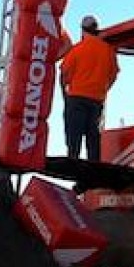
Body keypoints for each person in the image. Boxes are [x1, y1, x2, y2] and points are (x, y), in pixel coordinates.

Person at [56, 12, 119, 164]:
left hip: (76, 98)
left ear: (83, 30)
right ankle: (93, 172)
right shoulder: (108, 51)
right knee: (93, 138)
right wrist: (103, 89)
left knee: (74, 138)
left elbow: (64, 74)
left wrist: (67, 95)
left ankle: (73, 165)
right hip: (97, 100)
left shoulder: (77, 50)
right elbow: (113, 75)